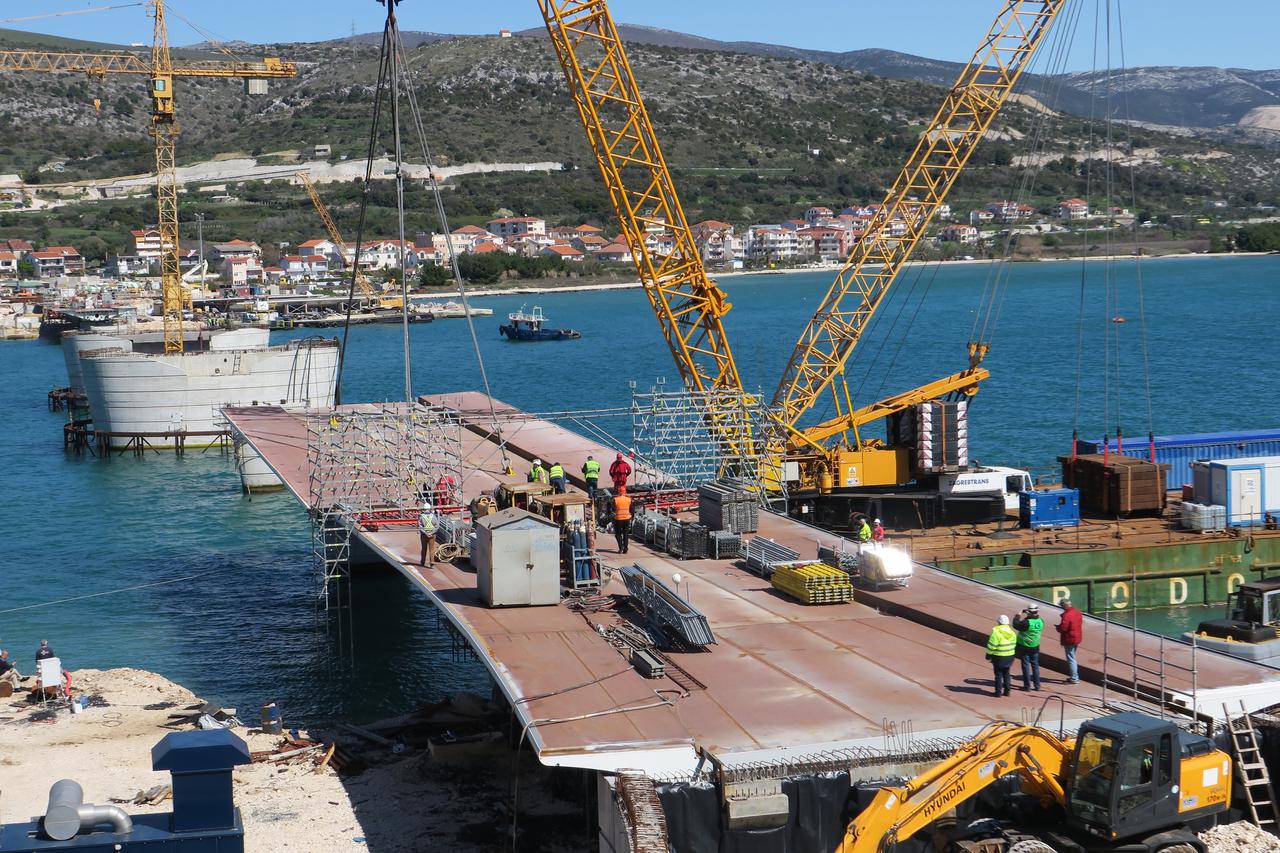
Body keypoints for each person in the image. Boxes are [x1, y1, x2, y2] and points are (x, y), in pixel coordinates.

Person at [1012, 604, 1044, 691]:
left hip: (1025, 647)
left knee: (1025, 666)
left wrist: (1019, 614)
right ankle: (1037, 685)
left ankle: (1027, 686)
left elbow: (1016, 624)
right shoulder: (1041, 621)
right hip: (1035, 646)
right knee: (1035, 666)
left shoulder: (1026, 623)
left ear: (1029, 612)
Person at [986, 615, 1017, 697]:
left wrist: (988, 654)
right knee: (1007, 674)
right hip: (1009, 656)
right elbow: (1014, 644)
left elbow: (992, 645)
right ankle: (1007, 692)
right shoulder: (1012, 633)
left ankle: (998, 692)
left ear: (999, 622)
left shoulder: (996, 632)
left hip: (998, 656)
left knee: (998, 675)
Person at [1057, 598, 1084, 684]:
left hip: (1069, 639)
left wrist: (1058, 627)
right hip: (1077, 637)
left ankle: (1074, 678)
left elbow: (1063, 628)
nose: (1061, 607)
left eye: (1061, 606)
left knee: (1071, 658)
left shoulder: (1067, 615)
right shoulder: (1077, 611)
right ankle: (1074, 677)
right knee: (1073, 656)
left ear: (1065, 605)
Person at [612, 485, 633, 554]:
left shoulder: (616, 499)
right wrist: (631, 516)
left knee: (618, 534)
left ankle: (620, 548)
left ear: (618, 492)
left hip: (618, 519)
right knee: (625, 534)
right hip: (627, 518)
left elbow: (613, 509)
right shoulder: (629, 499)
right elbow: (632, 509)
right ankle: (626, 548)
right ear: (625, 492)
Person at [418, 500, 438, 567]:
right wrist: (432, 532)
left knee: (424, 549)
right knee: (431, 549)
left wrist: (426, 533)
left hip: (424, 535)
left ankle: (422, 562)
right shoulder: (433, 516)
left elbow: (420, 526)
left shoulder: (421, 517)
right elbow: (437, 526)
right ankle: (432, 562)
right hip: (432, 535)